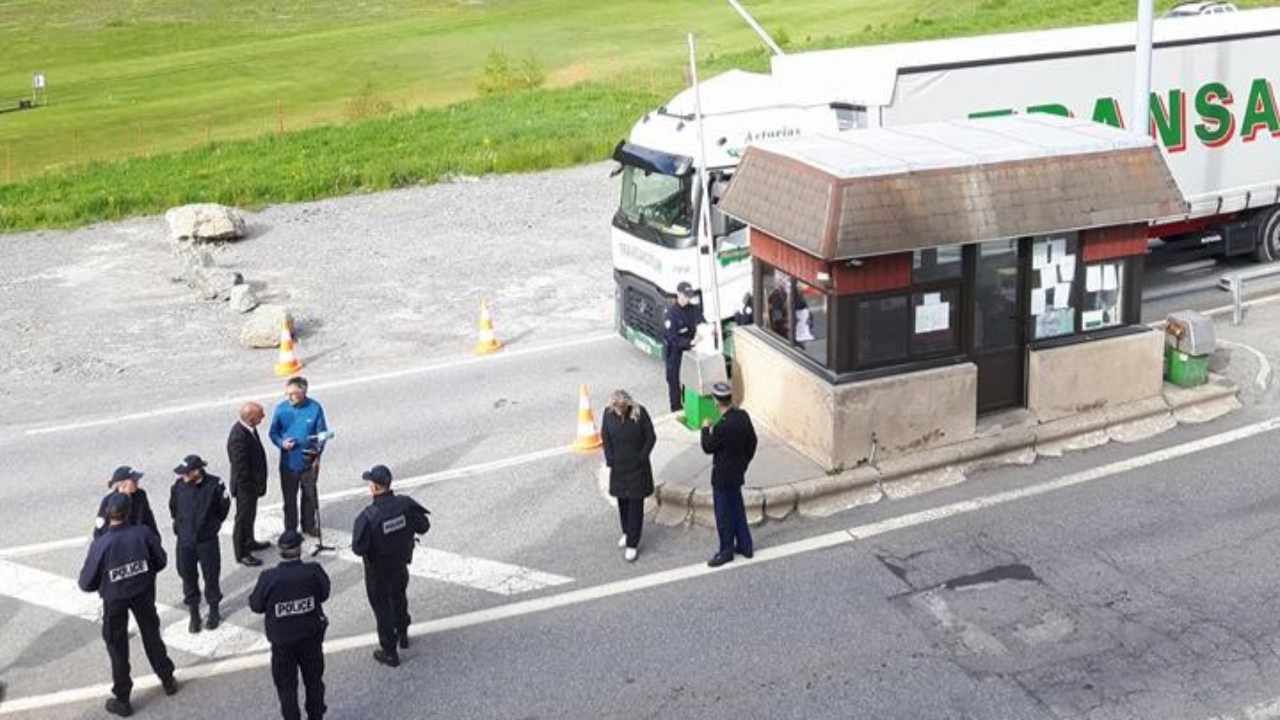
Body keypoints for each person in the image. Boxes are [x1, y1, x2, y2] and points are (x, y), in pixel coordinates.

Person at [79, 492, 179, 717]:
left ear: (108, 515)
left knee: (117, 647)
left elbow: (86, 582)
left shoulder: (101, 544)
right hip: (142, 594)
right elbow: (160, 561)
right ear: (129, 512)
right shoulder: (142, 534)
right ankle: (167, 679)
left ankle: (122, 698)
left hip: (114, 600)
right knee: (152, 637)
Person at [351, 465, 430, 668]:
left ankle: (389, 652)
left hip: (378, 571)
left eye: (370, 482)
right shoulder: (405, 504)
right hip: (400, 564)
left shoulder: (368, 517)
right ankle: (403, 633)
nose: (369, 485)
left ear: (376, 487)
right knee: (399, 597)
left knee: (383, 609)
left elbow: (358, 548)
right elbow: (424, 526)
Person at [250, 530, 330, 720]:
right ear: (300, 549)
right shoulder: (313, 571)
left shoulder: (269, 578)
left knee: (287, 689)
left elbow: (256, 605)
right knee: (314, 681)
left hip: (282, 643)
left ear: (280, 551)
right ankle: (316, 716)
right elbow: (324, 593)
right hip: (311, 638)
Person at [169, 454, 230, 633]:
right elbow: (173, 509)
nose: (183, 476)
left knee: (211, 576)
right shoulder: (178, 486)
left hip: (207, 541)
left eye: (187, 473)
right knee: (187, 577)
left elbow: (223, 508)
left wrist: (212, 526)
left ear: (197, 471)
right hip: (185, 541)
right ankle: (194, 614)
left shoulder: (215, 485)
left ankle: (214, 611)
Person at [700, 382, 758, 568]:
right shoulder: (743, 417)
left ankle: (726, 551)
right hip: (737, 472)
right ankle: (745, 545)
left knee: (724, 513)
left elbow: (708, 447)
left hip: (722, 476)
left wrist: (705, 428)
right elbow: (752, 442)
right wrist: (744, 463)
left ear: (717, 402)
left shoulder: (721, 427)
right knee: (738, 509)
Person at [599, 389, 656, 562]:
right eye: (616, 407)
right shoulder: (608, 414)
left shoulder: (640, 413)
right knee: (622, 502)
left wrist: (642, 457)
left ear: (627, 404)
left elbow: (650, 437)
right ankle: (626, 531)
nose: (619, 410)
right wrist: (610, 459)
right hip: (619, 468)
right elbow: (605, 437)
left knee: (635, 506)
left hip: (637, 468)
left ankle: (633, 543)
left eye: (622, 407)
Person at [269, 376, 329, 537]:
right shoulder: (281, 409)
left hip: (308, 462)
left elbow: (322, 433)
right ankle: (290, 529)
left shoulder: (315, 408)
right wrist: (282, 443)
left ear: (303, 392)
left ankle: (308, 524)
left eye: (293, 394)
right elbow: (273, 432)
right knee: (289, 499)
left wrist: (318, 451)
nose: (289, 397)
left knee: (309, 496)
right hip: (288, 464)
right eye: (287, 394)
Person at [228, 401, 271, 567]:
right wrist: (251, 488)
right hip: (245, 487)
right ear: (251, 419)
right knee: (242, 518)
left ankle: (250, 540)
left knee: (250, 516)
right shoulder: (238, 438)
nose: (263, 417)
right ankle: (242, 552)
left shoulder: (249, 429)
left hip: (252, 485)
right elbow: (241, 469)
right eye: (260, 415)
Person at [662, 281, 705, 413]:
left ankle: (690, 407)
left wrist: (705, 330)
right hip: (675, 354)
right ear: (678, 294)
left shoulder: (693, 309)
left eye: (689, 296)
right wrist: (691, 342)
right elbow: (673, 340)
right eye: (685, 296)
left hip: (690, 352)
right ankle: (676, 410)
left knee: (691, 381)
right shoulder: (671, 315)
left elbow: (701, 322)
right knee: (674, 383)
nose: (687, 299)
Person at [94, 465, 159, 539]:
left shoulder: (140, 495)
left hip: (139, 541)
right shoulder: (108, 501)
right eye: (134, 481)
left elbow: (148, 518)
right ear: (123, 484)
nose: (137, 482)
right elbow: (99, 530)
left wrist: (156, 537)